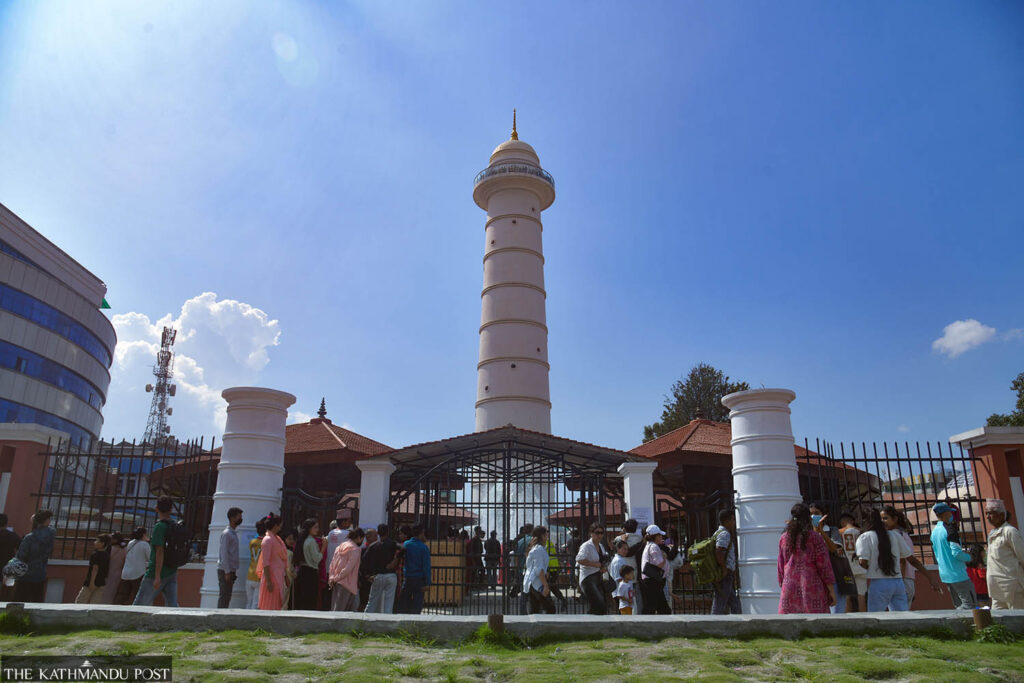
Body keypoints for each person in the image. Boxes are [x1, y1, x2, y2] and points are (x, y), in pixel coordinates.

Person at [778, 503, 835, 614]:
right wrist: (831, 590)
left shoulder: (784, 538)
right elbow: (824, 566)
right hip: (812, 587)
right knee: (816, 625)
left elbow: (780, 567)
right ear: (808, 518)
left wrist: (783, 584)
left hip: (789, 586)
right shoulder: (815, 538)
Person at [881, 505, 942, 606]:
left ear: (895, 519)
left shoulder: (894, 536)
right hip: (907, 580)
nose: (883, 521)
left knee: (898, 617)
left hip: (901, 580)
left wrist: (899, 582)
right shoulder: (903, 534)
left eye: (885, 518)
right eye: (881, 519)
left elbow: (903, 561)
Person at [856, 508, 913, 612]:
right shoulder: (895, 535)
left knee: (876, 616)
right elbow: (906, 556)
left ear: (865, 521)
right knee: (903, 616)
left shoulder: (865, 537)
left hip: (878, 582)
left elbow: (863, 562)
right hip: (897, 581)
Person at [133, 496, 180, 607]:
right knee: (172, 605)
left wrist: (157, 576)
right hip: (172, 570)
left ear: (156, 508)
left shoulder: (159, 527)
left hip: (156, 572)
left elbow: (159, 551)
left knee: (139, 605)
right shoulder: (174, 525)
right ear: (171, 509)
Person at [930, 502, 977, 609]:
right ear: (946, 514)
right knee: (970, 606)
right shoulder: (950, 530)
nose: (952, 516)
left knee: (958, 605)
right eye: (950, 513)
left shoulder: (934, 532)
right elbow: (956, 553)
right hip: (958, 574)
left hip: (946, 575)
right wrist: (970, 557)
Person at [983, 499, 1024, 609]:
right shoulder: (992, 534)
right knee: (998, 621)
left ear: (1001, 515)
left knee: (1017, 621)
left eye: (990, 513)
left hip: (1012, 587)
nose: (987, 517)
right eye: (986, 513)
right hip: (996, 588)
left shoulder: (1010, 531)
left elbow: (1022, 556)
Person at [13, 509, 55, 603]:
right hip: (40, 573)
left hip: (25, 574)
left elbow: (21, 556)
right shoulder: (51, 534)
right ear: (47, 520)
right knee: (36, 601)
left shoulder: (29, 538)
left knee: (20, 601)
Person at [364, 523, 400, 613]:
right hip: (391, 575)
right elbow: (403, 549)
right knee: (388, 604)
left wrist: (368, 575)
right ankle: (387, 623)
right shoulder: (393, 544)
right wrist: (395, 560)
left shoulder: (373, 546)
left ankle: (364, 622)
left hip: (378, 576)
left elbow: (364, 560)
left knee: (372, 602)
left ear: (378, 533)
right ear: (388, 532)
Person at [576, 521, 611, 615]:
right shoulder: (586, 546)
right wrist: (595, 564)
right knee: (599, 604)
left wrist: (604, 567)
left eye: (601, 533)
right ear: (591, 533)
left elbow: (603, 560)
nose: (599, 535)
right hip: (587, 578)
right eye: (597, 532)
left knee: (600, 606)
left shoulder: (601, 546)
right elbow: (579, 559)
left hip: (598, 577)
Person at [711, 509, 741, 615]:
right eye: (733, 520)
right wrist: (724, 569)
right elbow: (719, 551)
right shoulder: (724, 534)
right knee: (720, 602)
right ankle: (713, 625)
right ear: (727, 521)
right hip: (724, 573)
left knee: (734, 603)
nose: (734, 522)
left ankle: (739, 624)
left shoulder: (719, 532)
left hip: (726, 573)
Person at [329, 526, 366, 611]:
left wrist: (332, 578)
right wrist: (337, 578)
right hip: (348, 584)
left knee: (335, 609)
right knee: (344, 613)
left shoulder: (339, 548)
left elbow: (332, 565)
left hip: (336, 582)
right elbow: (348, 568)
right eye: (362, 539)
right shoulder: (355, 550)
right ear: (359, 538)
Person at [397, 524, 431, 614]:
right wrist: (428, 582)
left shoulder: (406, 544)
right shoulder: (424, 548)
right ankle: (415, 623)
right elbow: (426, 566)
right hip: (419, 579)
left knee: (404, 603)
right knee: (417, 604)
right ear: (421, 533)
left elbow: (400, 558)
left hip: (408, 578)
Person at [523, 526, 556, 614]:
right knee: (550, 609)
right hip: (537, 583)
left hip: (532, 582)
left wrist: (546, 572)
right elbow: (539, 569)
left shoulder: (536, 548)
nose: (547, 535)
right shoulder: (539, 549)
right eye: (546, 533)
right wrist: (545, 585)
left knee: (535, 609)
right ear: (542, 536)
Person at [640, 524, 672, 615]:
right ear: (655, 536)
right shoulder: (654, 547)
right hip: (653, 580)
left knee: (659, 606)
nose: (661, 537)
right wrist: (664, 557)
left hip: (652, 580)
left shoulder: (649, 545)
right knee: (652, 607)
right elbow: (659, 564)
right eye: (660, 535)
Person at [258, 513, 287, 610]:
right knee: (270, 605)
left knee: (277, 605)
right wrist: (269, 582)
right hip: (271, 577)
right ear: (275, 525)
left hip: (278, 575)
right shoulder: (268, 540)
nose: (281, 527)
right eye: (280, 525)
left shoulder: (276, 539)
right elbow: (265, 563)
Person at [839, 512, 866, 612]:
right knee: (861, 594)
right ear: (852, 521)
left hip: (847, 567)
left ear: (842, 522)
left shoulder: (840, 532)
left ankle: (848, 617)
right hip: (861, 566)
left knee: (847, 595)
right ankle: (864, 616)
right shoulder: (861, 532)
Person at [292, 518, 322, 610]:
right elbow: (317, 558)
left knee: (301, 600)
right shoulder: (311, 541)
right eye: (315, 527)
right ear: (309, 528)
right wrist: (323, 547)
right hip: (310, 573)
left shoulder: (301, 540)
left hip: (302, 572)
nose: (317, 530)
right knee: (309, 601)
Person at [217, 507, 243, 608]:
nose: (240, 519)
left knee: (227, 596)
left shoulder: (233, 533)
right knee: (224, 596)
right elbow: (224, 553)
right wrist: (227, 571)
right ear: (232, 518)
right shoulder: (227, 534)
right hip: (225, 570)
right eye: (239, 517)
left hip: (231, 570)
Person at [75, 534, 111, 604]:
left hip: (91, 582)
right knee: (95, 603)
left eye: (97, 540)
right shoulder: (107, 555)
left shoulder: (95, 555)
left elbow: (95, 569)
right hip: (101, 583)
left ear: (102, 543)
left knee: (80, 602)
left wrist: (92, 582)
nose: (95, 542)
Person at [245, 519, 267, 609]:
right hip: (259, 576)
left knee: (249, 602)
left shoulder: (252, 542)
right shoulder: (266, 543)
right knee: (255, 604)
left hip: (250, 575)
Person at [101, 533, 126, 604]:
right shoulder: (124, 549)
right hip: (118, 573)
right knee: (113, 591)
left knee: (105, 592)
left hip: (107, 572)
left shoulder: (108, 549)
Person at [0, 513, 19, 602]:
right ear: (6, 523)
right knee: (6, 594)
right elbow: (21, 547)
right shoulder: (12, 535)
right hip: (8, 568)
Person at [358, 527, 378, 610]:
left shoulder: (379, 548)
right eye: (375, 536)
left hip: (376, 579)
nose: (377, 538)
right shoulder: (362, 550)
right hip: (365, 580)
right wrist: (366, 576)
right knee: (364, 601)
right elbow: (361, 565)